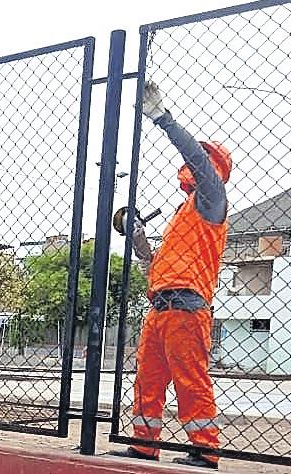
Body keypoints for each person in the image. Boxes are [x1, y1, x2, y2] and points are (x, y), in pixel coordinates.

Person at [109, 82, 231, 470]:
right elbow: (155, 264)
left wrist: (163, 119)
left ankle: (206, 450)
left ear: (213, 167)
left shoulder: (212, 198)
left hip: (186, 308)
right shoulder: (184, 214)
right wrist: (137, 236)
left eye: (204, 159)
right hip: (161, 307)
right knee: (148, 381)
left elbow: (194, 155)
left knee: (190, 379)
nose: (196, 162)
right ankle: (144, 445)